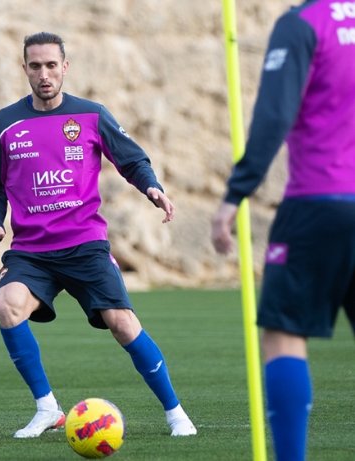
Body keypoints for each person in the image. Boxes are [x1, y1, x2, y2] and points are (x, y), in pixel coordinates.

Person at [0, 31, 196, 439]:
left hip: (84, 244)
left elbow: (132, 160)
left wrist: (152, 187)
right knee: (7, 305)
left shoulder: (91, 115)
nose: (44, 74)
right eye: (35, 66)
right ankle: (48, 409)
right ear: (24, 68)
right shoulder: (4, 123)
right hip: (31, 251)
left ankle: (175, 413)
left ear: (65, 67)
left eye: (51, 65)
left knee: (123, 324)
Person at [211, 1, 355, 460]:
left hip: (320, 202)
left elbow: (274, 116)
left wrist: (236, 193)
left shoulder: (303, 24)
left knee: (284, 334)